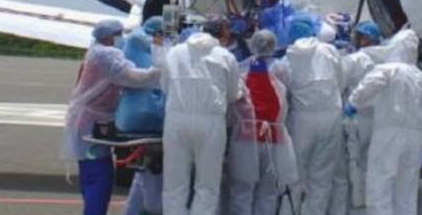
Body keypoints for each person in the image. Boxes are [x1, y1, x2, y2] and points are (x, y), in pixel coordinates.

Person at [63, 18, 162, 215]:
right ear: (109, 37)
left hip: (88, 119)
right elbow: (132, 77)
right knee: (99, 176)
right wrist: (160, 69)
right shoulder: (107, 55)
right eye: (118, 34)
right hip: (90, 123)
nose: (121, 38)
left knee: (92, 175)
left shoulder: (96, 51)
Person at [345, 30, 422, 215]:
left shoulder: (387, 70)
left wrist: (353, 103)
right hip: (415, 138)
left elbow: (368, 87)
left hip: (389, 133)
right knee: (406, 192)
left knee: (380, 186)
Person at [162, 17, 242, 215]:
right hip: (211, 122)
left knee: (174, 183)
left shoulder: (174, 52)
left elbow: (165, 86)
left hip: (175, 120)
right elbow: (233, 94)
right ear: (222, 35)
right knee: (207, 185)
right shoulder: (226, 56)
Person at [271, 14, 346, 215]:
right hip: (331, 116)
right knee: (322, 175)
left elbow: (283, 92)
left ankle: (290, 211)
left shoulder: (287, 59)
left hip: (302, 118)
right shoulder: (329, 51)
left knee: (294, 172)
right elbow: (341, 81)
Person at [227, 29, 297, 215]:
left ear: (252, 44)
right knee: (268, 189)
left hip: (245, 135)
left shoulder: (242, 67)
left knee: (242, 188)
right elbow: (288, 95)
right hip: (273, 136)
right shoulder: (281, 68)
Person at [120, 17, 169, 215]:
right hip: (149, 119)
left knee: (143, 172)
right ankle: (152, 209)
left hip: (135, 117)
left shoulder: (132, 41)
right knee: (152, 169)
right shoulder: (141, 42)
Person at [338, 22, 383, 214]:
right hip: (380, 120)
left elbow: (339, 83)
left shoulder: (355, 59)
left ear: (364, 39)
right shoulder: (387, 58)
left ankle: (357, 205)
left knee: (354, 162)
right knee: (375, 163)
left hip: (357, 117)